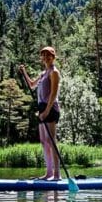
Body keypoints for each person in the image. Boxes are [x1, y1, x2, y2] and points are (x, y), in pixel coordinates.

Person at [19, 46, 61, 181]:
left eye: (49, 55)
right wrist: (24, 72)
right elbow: (31, 85)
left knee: (52, 140)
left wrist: (47, 111)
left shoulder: (54, 72)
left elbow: (53, 94)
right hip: (42, 109)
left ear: (53, 57)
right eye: (43, 55)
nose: (46, 58)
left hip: (51, 108)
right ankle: (49, 173)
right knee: (44, 141)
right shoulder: (43, 73)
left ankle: (57, 175)